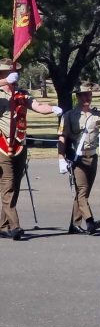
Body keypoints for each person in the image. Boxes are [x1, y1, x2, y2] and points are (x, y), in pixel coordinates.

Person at [0, 59, 63, 241]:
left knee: (14, 187)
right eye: (7, 73)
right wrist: (4, 82)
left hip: (20, 145)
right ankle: (15, 226)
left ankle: (3, 226)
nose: (12, 75)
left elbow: (37, 106)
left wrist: (52, 108)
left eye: (12, 73)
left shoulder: (22, 94)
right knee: (8, 186)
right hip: (2, 146)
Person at [58, 81, 100, 235]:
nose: (87, 97)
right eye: (84, 95)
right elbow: (62, 137)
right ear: (77, 96)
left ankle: (74, 224)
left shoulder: (97, 114)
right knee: (82, 191)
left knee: (83, 193)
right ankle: (90, 222)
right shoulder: (69, 115)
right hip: (77, 158)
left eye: (89, 94)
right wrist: (61, 157)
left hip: (92, 157)